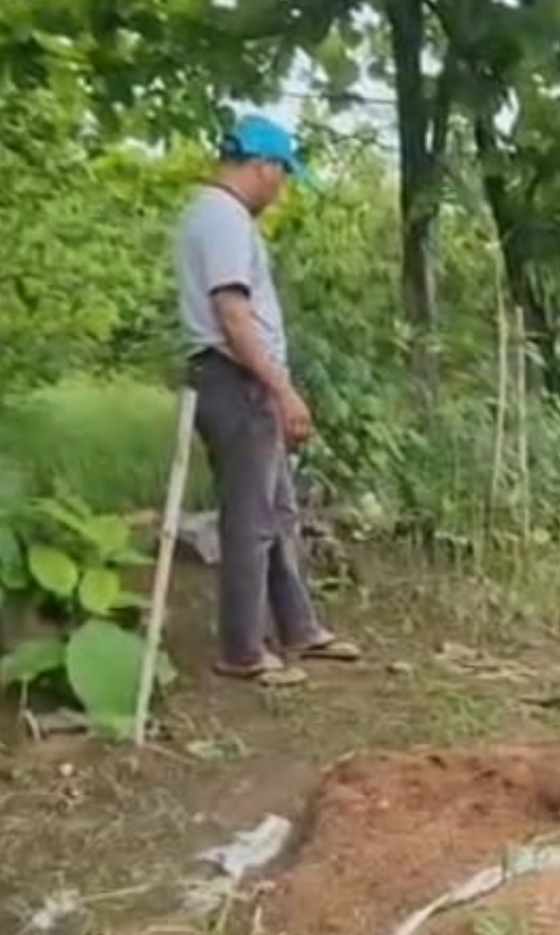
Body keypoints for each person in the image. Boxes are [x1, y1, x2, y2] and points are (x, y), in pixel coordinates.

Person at [174, 114, 359, 687]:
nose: (281, 189)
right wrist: (281, 388)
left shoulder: (213, 216)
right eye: (283, 174)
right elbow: (232, 314)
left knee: (278, 512)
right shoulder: (223, 218)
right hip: (236, 380)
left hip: (241, 380)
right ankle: (242, 650)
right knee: (251, 518)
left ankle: (299, 627)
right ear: (262, 165)